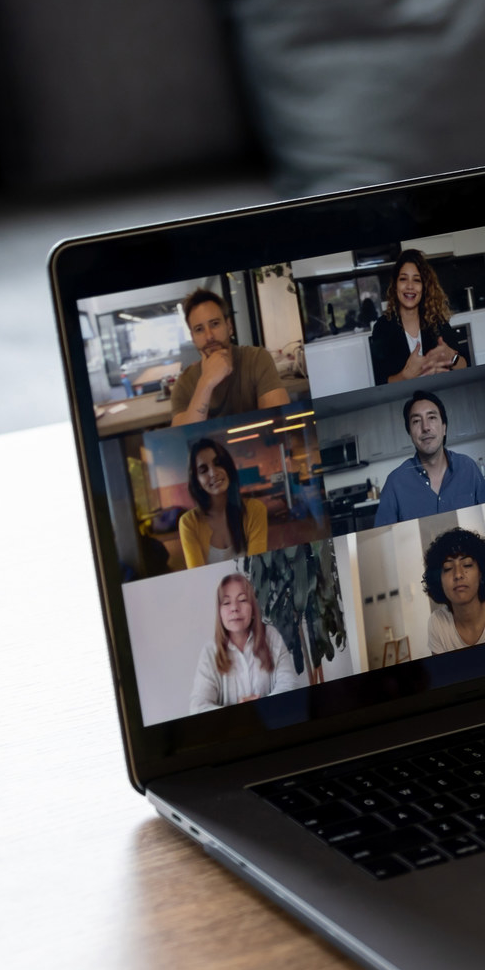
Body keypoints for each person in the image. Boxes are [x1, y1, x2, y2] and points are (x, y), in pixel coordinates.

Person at [167, 287, 291, 421]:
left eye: (214, 324)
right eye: (199, 329)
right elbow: (183, 438)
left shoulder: (257, 359)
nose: (209, 336)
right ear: (193, 338)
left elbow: (280, 422)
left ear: (229, 326)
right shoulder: (184, 383)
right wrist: (206, 383)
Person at [375, 389, 485, 524]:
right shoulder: (394, 483)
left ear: (444, 428)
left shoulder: (468, 467)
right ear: (410, 433)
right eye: (416, 421)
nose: (425, 427)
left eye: (431, 418)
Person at [188, 573, 301, 712]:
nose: (234, 608)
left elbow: (290, 683)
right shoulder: (210, 651)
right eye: (227, 602)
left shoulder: (271, 636)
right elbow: (197, 706)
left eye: (242, 600)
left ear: (253, 608)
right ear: (220, 612)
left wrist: (263, 707)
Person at [369, 249, 472, 385]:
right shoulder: (382, 328)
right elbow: (378, 382)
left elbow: (466, 365)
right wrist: (405, 376)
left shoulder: (437, 322)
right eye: (403, 279)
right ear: (395, 285)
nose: (410, 286)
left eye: (417, 280)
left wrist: (452, 358)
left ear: (424, 288)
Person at [172, 436, 268, 568]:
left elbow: (257, 569)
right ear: (197, 482)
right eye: (203, 470)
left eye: (218, 463)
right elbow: (197, 576)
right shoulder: (189, 523)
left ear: (228, 467)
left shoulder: (255, 510)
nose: (213, 473)